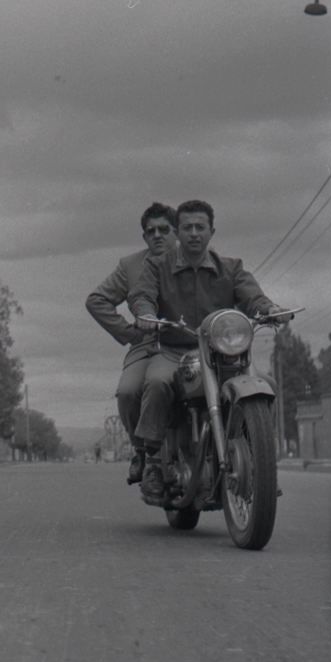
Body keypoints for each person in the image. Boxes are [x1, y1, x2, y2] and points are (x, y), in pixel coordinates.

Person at [130, 199, 285, 499]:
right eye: (186, 227)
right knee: (158, 382)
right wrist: (146, 314)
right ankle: (152, 463)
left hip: (221, 353)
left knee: (268, 384)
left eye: (200, 227)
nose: (194, 233)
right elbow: (142, 295)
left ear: (211, 231)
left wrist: (270, 309)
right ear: (177, 232)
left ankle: (261, 463)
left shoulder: (231, 268)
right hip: (176, 351)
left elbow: (252, 296)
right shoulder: (156, 266)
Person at [85, 202, 179, 485]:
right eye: (151, 231)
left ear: (176, 232)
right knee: (127, 393)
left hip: (190, 343)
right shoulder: (131, 265)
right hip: (148, 345)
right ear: (144, 237)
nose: (158, 236)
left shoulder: (192, 260)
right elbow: (96, 301)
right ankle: (141, 450)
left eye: (165, 229)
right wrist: (130, 334)